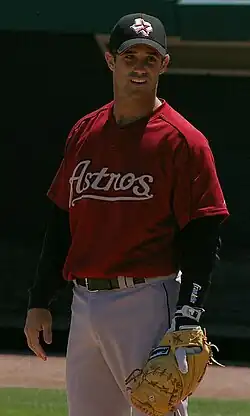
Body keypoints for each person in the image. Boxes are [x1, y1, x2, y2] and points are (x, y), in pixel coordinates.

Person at [24, 12, 229, 416]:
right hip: (84, 301)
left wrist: (189, 313)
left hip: (147, 300)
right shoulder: (86, 131)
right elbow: (62, 221)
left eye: (150, 58)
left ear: (164, 64)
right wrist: (40, 299)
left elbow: (204, 233)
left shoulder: (184, 141)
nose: (139, 66)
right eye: (129, 55)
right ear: (110, 60)